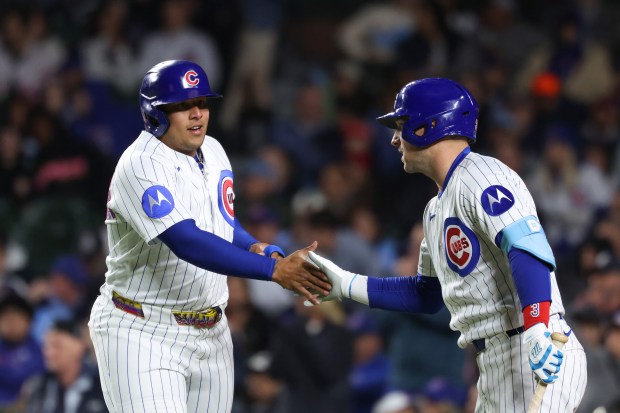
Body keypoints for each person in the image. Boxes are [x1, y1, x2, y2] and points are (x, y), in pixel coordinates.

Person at [306, 78, 587, 411]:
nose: (395, 139)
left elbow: (526, 248)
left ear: (429, 125)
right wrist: (346, 283)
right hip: (497, 362)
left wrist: (537, 329)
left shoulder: (482, 174)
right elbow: (425, 294)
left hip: (534, 346)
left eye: (401, 125)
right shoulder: (435, 210)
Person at [88, 60, 330, 413]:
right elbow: (187, 240)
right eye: (183, 106)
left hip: (212, 330)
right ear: (155, 114)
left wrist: (256, 247)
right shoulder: (140, 164)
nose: (197, 114)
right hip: (142, 329)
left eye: (201, 103)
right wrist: (273, 272)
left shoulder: (214, 151)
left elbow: (220, 222)